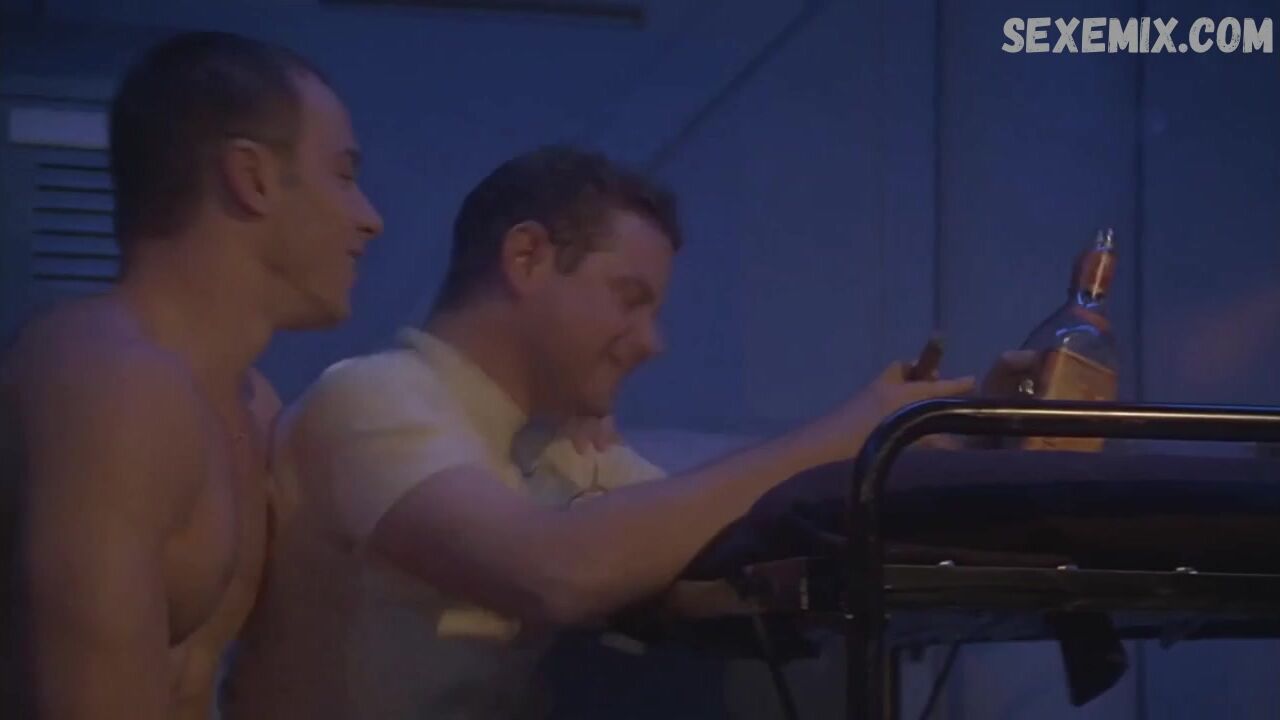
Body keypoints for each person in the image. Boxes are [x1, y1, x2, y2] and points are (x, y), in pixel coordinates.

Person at [223, 145, 977, 720]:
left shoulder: (542, 441)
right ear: (526, 258)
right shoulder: (374, 396)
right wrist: (842, 436)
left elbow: (719, 548)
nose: (652, 342)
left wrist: (965, 447)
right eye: (629, 298)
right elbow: (554, 572)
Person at [0, 30, 383, 720]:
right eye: (344, 175)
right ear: (252, 177)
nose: (370, 219)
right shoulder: (111, 387)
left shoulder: (252, 405)